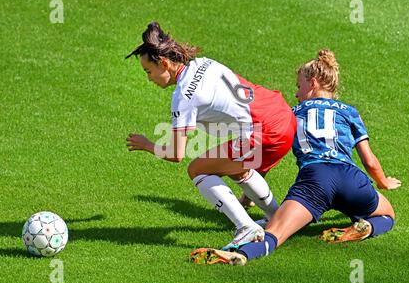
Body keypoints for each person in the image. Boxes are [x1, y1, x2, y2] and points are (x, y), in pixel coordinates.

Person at [190, 49, 401, 265]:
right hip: (351, 179)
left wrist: (248, 196)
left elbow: (268, 158)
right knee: (387, 215)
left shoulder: (291, 113)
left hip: (315, 181)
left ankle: (241, 254)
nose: (297, 94)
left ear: (313, 83)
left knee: (274, 235)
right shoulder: (348, 111)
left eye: (299, 87)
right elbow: (369, 161)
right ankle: (367, 227)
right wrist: (384, 182)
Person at [125, 22, 296, 250]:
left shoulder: (184, 96)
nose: (149, 78)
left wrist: (147, 145)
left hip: (263, 131)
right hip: (281, 114)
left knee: (197, 169)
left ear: (164, 63)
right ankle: (276, 217)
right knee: (234, 165)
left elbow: (176, 155)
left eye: (148, 71)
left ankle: (246, 228)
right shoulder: (203, 63)